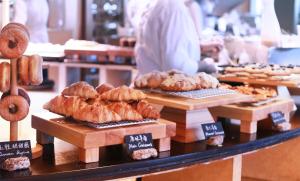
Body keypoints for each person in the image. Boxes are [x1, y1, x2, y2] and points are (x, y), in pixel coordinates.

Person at [134, 0, 223, 75]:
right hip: (163, 91)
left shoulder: (160, 3)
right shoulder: (174, 8)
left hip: (149, 86)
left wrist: (199, 46)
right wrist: (204, 65)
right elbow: (175, 67)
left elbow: (159, 46)